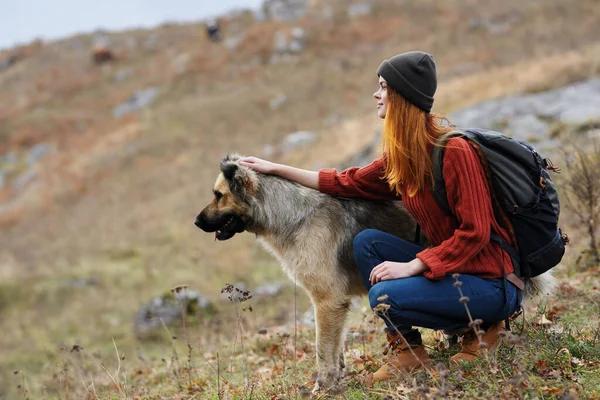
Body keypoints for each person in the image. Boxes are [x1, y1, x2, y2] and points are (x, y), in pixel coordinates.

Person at [239, 51, 522, 381]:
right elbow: (347, 182)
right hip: (458, 273)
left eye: (384, 86)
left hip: (492, 282)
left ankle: (488, 327)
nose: (376, 94)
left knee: (385, 295)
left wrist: (415, 264)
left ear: (403, 95)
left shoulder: (455, 152)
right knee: (367, 243)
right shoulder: (406, 155)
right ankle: (409, 352)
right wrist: (277, 169)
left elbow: (476, 232)